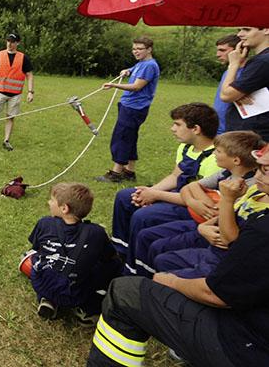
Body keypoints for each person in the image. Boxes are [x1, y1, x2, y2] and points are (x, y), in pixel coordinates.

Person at [86, 147, 269, 366]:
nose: (256, 175)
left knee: (124, 292)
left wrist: (169, 281)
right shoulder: (256, 205)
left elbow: (217, 294)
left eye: (265, 171)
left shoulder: (263, 229)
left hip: (245, 346)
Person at [107, 103, 219, 274]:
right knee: (125, 196)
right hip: (177, 195)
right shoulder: (186, 147)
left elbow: (201, 201)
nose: (172, 128)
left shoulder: (216, 159)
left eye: (177, 124)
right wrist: (148, 192)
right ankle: (120, 251)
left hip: (193, 207)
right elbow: (175, 176)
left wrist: (156, 194)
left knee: (143, 216)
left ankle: (134, 267)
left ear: (196, 129)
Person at [132, 130, 262, 277]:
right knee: (146, 235)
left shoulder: (247, 186)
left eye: (218, 151)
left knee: (158, 246)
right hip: (202, 223)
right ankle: (137, 276)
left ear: (236, 160)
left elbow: (220, 215)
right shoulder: (225, 173)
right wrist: (197, 202)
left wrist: (206, 206)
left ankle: (149, 282)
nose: (214, 154)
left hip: (213, 234)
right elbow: (191, 187)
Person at [23, 183, 121, 324]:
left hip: (42, 284)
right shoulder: (96, 232)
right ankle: (89, 309)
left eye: (52, 200)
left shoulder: (44, 223)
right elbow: (109, 256)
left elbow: (36, 247)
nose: (49, 203)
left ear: (64, 208)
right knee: (113, 265)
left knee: (42, 259)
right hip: (75, 294)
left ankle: (47, 299)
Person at [97, 37, 160, 182]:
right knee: (130, 138)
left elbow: (137, 86)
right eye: (134, 49)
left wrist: (114, 86)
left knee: (122, 137)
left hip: (134, 108)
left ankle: (116, 174)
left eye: (139, 49)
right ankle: (129, 172)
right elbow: (135, 70)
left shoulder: (150, 65)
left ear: (149, 49)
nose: (136, 52)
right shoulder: (142, 63)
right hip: (130, 106)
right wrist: (128, 71)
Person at [0, 32, 34, 151]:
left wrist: (31, 91)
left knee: (10, 117)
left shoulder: (23, 58)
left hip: (15, 95)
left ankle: (6, 140)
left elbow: (29, 75)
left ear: (17, 43)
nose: (10, 44)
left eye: (12, 42)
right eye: (8, 41)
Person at [220, 26, 269, 141]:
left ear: (266, 29)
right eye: (239, 30)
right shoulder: (260, 60)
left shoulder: (263, 61)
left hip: (253, 135)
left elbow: (226, 95)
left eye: (246, 30)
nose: (240, 34)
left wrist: (233, 64)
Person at [213, 34, 241, 135]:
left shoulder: (247, 74)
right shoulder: (228, 72)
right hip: (217, 128)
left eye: (223, 50)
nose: (218, 54)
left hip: (232, 131)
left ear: (237, 50)